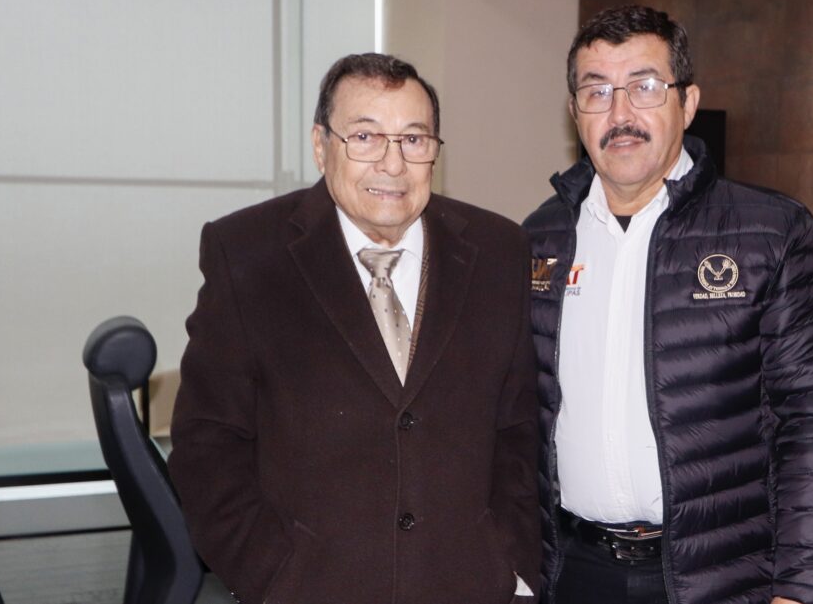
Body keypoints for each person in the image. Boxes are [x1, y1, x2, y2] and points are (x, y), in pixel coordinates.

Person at [169, 53, 540, 604]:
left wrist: (514, 569)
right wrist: (270, 576)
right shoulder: (246, 253)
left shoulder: (498, 250)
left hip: (470, 585)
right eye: (365, 137)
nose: (392, 164)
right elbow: (207, 443)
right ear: (321, 146)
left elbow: (519, 431)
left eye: (413, 139)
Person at [523, 5, 813, 604]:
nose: (620, 114)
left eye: (644, 87)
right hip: (573, 574)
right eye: (597, 91)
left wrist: (803, 591)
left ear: (688, 102)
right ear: (575, 111)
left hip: (722, 576)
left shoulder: (771, 233)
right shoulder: (538, 240)